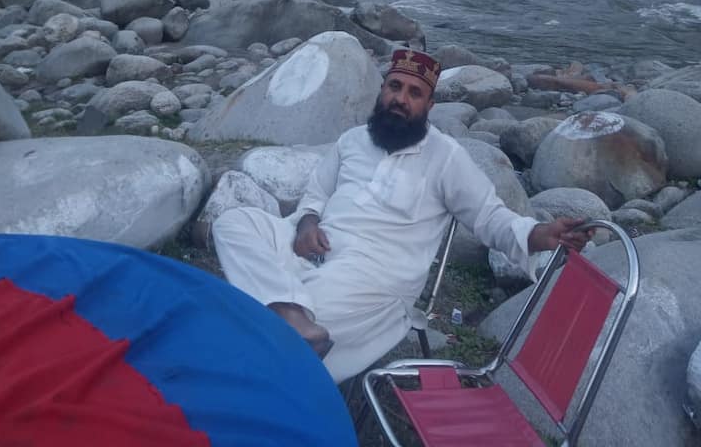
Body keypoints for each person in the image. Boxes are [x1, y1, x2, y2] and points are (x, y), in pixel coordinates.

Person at [213, 48, 591, 384]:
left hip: (375, 276)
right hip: (317, 247)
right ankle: (290, 311)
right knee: (234, 223)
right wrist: (308, 221)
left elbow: (491, 218)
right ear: (382, 91)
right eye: (395, 87)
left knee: (269, 319)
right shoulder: (353, 140)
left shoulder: (447, 158)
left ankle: (275, 328)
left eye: (414, 93)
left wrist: (539, 234)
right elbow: (317, 192)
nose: (401, 99)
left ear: (429, 105)